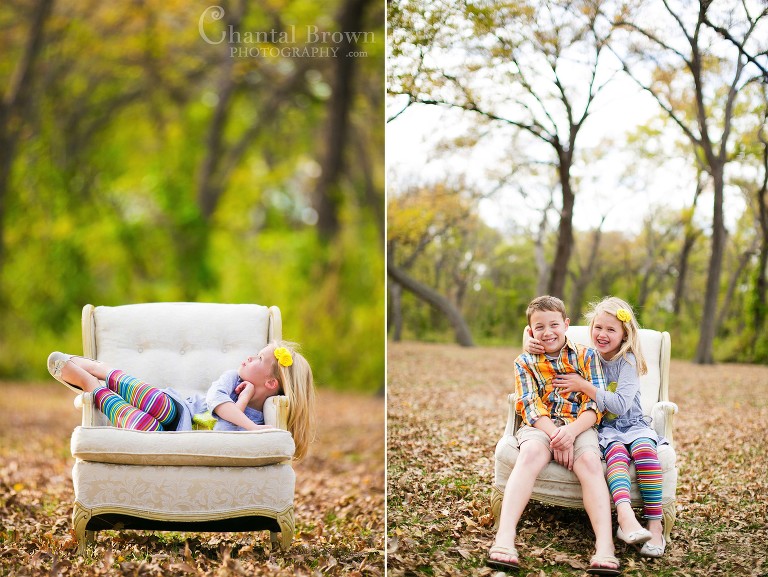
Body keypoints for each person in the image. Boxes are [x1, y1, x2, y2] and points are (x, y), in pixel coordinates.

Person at [488, 295, 620, 576]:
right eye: (539, 327)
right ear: (530, 331)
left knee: (590, 463)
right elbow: (528, 403)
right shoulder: (524, 362)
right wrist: (556, 434)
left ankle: (605, 546)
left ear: (566, 325)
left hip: (580, 425)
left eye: (554, 324)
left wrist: (570, 433)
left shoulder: (587, 355)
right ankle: (505, 538)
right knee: (531, 453)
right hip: (541, 426)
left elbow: (594, 404)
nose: (547, 332)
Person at [526, 296, 666, 558]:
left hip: (633, 425)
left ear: (625, 333)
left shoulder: (628, 361)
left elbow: (620, 406)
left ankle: (655, 526)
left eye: (611, 329)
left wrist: (583, 385)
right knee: (616, 462)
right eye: (598, 328)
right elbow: (549, 339)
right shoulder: (586, 355)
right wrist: (527, 337)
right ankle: (625, 520)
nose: (602, 335)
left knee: (647, 455)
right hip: (606, 431)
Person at [47, 341, 315, 460]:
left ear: (271, 384)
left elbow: (220, 434)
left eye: (258, 358)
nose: (249, 357)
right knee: (159, 405)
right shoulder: (232, 379)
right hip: (180, 410)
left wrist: (245, 406)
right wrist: (249, 422)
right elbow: (215, 403)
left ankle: (92, 387)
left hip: (171, 435)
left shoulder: (261, 421)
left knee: (144, 430)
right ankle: (103, 371)